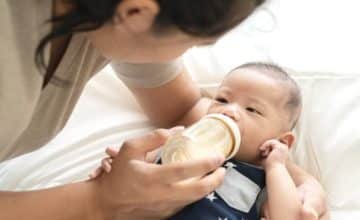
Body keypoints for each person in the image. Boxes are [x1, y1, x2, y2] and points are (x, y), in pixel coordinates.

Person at [0, 0, 327, 219]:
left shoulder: (110, 19)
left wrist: (292, 174)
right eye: (193, 41)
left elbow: (183, 107)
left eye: (253, 110)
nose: (228, 113)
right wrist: (99, 196)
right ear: (136, 13)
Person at [98, 63, 330, 219]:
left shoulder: (269, 175)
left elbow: (288, 216)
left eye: (252, 110)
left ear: (283, 141)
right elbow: (138, 169)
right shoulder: (181, 140)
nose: (229, 111)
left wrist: (277, 165)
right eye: (222, 99)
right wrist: (117, 165)